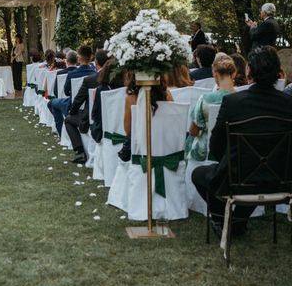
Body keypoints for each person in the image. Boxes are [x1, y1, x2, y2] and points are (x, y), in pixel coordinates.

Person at [192, 47, 292, 237]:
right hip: (282, 181)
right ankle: (237, 222)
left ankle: (225, 220)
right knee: (253, 173)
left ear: (249, 71)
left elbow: (216, 147)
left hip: (238, 180)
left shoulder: (233, 103)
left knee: (199, 174)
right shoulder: (289, 104)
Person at [185, 54, 236, 162]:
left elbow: (193, 130)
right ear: (234, 73)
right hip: (233, 152)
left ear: (215, 73)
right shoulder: (241, 98)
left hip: (205, 154)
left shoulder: (205, 99)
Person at [64, 49, 109, 164]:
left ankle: (80, 152)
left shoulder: (90, 80)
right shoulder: (123, 80)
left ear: (96, 61)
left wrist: (72, 111)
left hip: (95, 121)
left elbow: (78, 101)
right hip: (116, 123)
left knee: (69, 120)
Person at [48, 47, 97, 136]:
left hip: (72, 104)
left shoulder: (72, 74)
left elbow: (66, 92)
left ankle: (61, 133)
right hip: (89, 106)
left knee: (52, 103)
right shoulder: (95, 73)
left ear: (79, 58)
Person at [123, 73, 173, 138]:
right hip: (163, 143)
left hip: (138, 144)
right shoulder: (167, 96)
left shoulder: (131, 99)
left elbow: (128, 131)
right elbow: (172, 124)